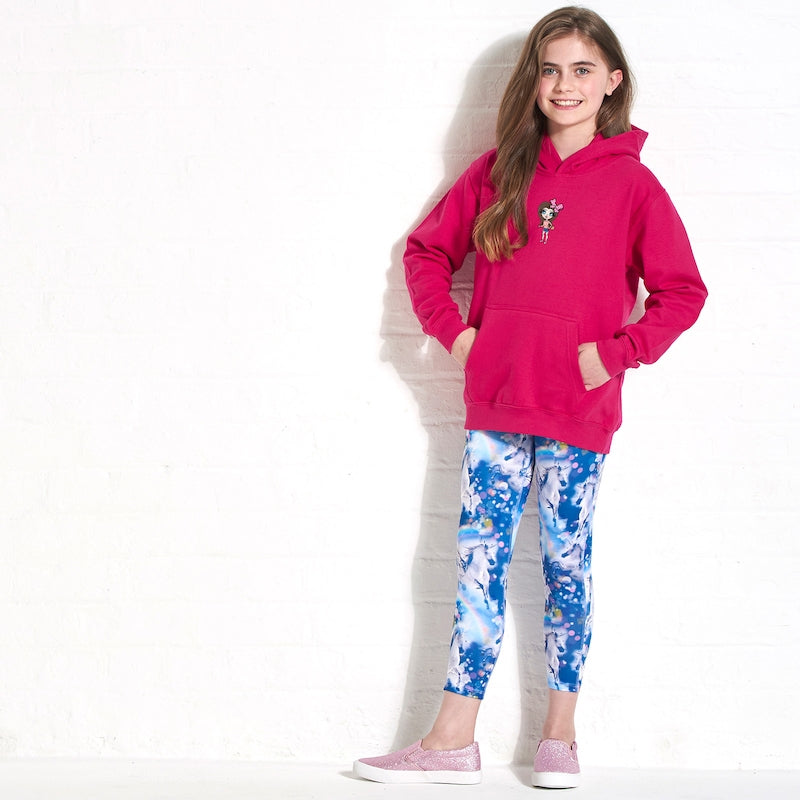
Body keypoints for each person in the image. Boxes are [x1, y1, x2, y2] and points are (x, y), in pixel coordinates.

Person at [354, 5, 707, 789]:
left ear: (612, 81)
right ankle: (452, 739)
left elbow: (682, 292)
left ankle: (560, 736)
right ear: (534, 81)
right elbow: (425, 252)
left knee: (565, 566)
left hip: (579, 410)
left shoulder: (634, 186)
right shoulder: (499, 171)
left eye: (582, 69)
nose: (564, 84)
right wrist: (456, 336)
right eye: (551, 69)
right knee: (476, 564)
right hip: (499, 404)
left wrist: (616, 354)